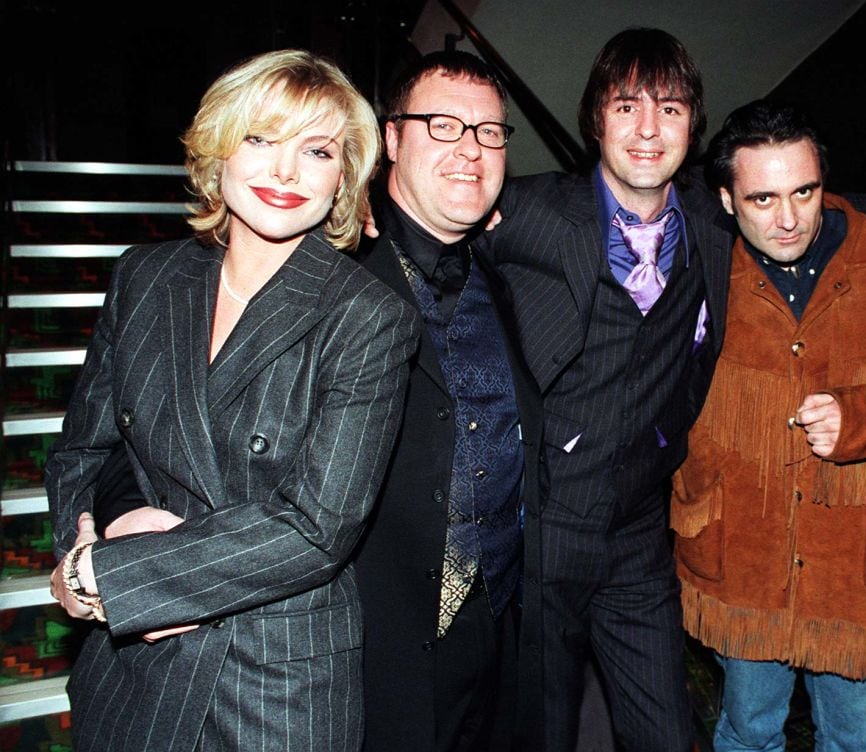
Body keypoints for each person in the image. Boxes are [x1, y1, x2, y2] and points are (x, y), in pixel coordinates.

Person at [479, 27, 866, 752]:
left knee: (675, 733)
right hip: (551, 525)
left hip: (650, 532)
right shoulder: (527, 212)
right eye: (627, 106)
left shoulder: (713, 219)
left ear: (692, 126)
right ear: (595, 118)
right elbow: (437, 223)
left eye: (670, 109)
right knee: (543, 729)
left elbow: (784, 198)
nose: (648, 129)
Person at [68, 49, 544, 752]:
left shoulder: (501, 277)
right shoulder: (170, 277)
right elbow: (102, 445)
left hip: (445, 638)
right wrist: (94, 544)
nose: (286, 170)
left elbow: (318, 524)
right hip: (257, 653)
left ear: (342, 171)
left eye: (316, 150)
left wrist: (110, 577)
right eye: (261, 138)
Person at [670, 99, 866, 751]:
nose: (788, 219)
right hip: (743, 561)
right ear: (726, 200)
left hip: (858, 567)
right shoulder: (696, 266)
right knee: (748, 734)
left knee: (853, 742)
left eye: (804, 192)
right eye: (762, 199)